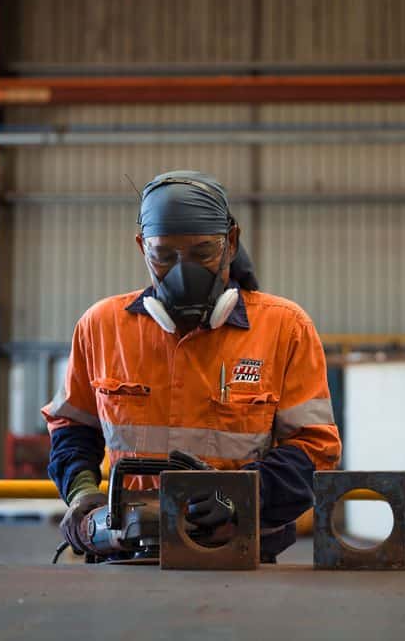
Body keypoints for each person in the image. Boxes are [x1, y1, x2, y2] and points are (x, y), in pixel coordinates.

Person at [42, 170, 341, 563]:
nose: (184, 271)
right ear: (141, 248)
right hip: (127, 552)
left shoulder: (284, 328)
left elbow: (313, 450)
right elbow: (73, 429)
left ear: (231, 243)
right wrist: (83, 493)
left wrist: (240, 499)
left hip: (242, 555)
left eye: (203, 252)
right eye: (164, 256)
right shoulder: (102, 327)